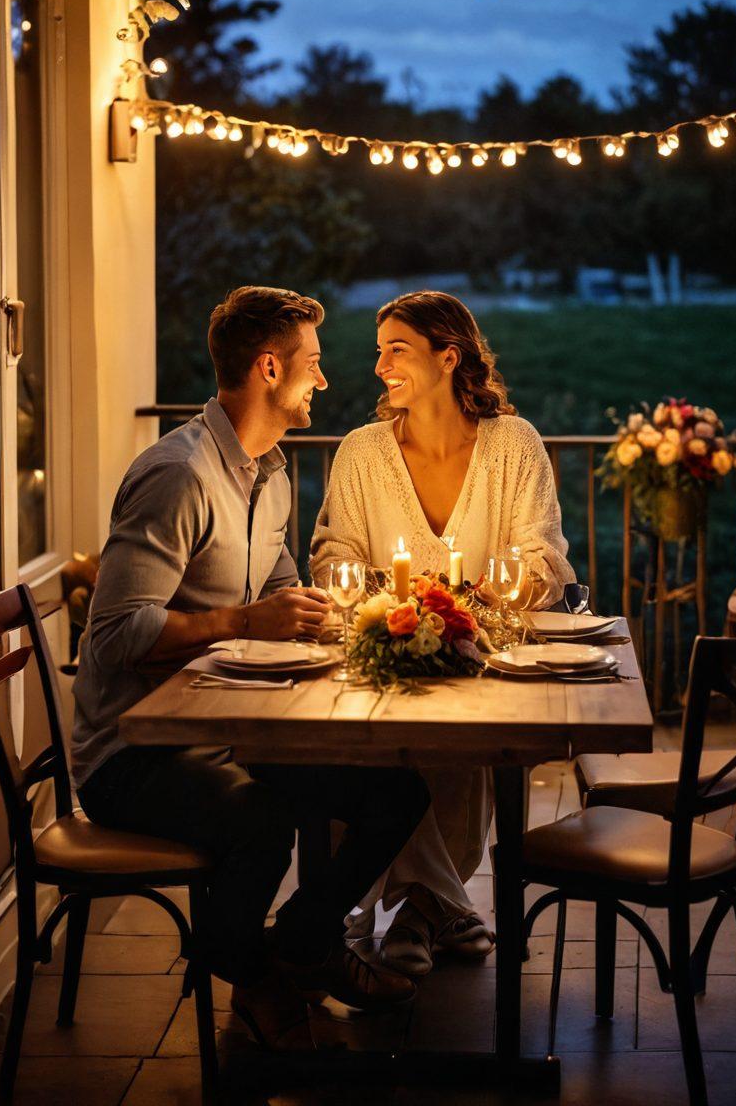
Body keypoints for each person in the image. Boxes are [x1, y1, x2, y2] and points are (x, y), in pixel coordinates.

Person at [72, 286, 430, 1049]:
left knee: (396, 790)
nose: (325, 380)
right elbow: (114, 636)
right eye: (313, 364)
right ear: (270, 369)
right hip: (134, 755)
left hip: (226, 726)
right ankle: (248, 967)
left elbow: (275, 587)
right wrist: (242, 622)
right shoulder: (178, 477)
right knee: (264, 819)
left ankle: (303, 941)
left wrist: (335, 614)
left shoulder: (266, 474)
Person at [310, 290, 575, 978]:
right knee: (368, 751)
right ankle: (438, 909)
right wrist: (386, 598)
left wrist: (503, 586)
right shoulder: (362, 452)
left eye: (395, 349)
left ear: (448, 357)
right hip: (382, 654)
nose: (379, 368)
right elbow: (332, 553)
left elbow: (545, 557)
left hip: (479, 658)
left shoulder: (515, 446)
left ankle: (412, 910)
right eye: (378, 352)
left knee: (459, 747)